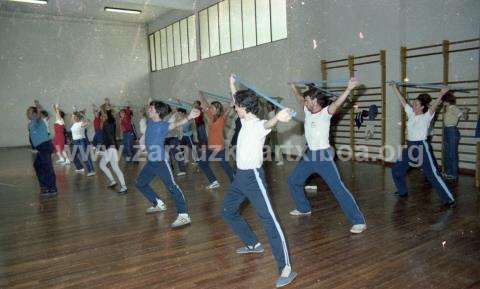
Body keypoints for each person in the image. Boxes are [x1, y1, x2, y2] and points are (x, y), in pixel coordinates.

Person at [221, 75, 297, 288]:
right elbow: (236, 97)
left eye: (236, 106)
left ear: (243, 108)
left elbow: (268, 124)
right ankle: (253, 243)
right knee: (227, 211)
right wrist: (232, 83)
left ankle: (286, 268)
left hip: (253, 178)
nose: (234, 107)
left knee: (269, 221)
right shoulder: (245, 119)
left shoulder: (257, 124)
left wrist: (279, 117)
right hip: (240, 178)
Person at [287, 78, 367, 234]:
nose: (305, 102)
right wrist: (292, 87)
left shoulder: (325, 113)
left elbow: (337, 104)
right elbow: (299, 98)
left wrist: (349, 89)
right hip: (310, 155)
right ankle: (303, 208)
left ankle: (359, 221)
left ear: (315, 101)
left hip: (323, 156)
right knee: (293, 180)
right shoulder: (307, 110)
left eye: (308, 100)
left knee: (338, 189)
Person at [135, 100, 200, 228]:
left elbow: (175, 124)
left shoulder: (163, 125)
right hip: (151, 161)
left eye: (152, 109)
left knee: (172, 187)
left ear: (158, 112)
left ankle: (184, 215)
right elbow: (145, 114)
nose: (149, 110)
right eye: (149, 108)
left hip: (160, 162)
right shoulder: (150, 121)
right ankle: (158, 203)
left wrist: (189, 116)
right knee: (140, 183)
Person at [390, 83, 455, 206]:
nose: (413, 105)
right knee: (396, 170)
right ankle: (402, 191)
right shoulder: (411, 114)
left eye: (416, 104)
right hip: (410, 146)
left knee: (432, 174)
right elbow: (403, 101)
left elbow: (435, 105)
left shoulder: (426, 116)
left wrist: (441, 94)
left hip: (421, 147)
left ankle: (449, 199)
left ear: (422, 107)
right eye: (413, 103)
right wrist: (395, 88)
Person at [196, 92, 235, 189]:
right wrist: (201, 95)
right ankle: (214, 181)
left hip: (219, 148)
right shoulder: (210, 115)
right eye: (211, 108)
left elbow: (229, 109)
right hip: (210, 147)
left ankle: (236, 184)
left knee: (226, 168)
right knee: (202, 163)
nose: (211, 109)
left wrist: (232, 100)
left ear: (217, 109)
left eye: (213, 108)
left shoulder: (222, 119)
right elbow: (205, 104)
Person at [27, 105, 57, 197]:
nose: (28, 113)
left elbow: (39, 116)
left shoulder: (38, 120)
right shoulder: (31, 123)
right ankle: (44, 186)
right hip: (40, 147)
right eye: (27, 112)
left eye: (30, 112)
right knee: (38, 165)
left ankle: (51, 188)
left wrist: (38, 109)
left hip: (45, 146)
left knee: (47, 166)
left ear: (35, 113)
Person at [99, 108, 127, 194]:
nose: (101, 117)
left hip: (110, 148)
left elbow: (109, 136)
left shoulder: (107, 123)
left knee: (103, 165)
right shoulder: (110, 123)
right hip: (112, 147)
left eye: (103, 115)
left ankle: (121, 185)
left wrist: (109, 148)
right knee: (114, 167)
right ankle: (118, 184)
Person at [442, 91, 462, 180]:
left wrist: (465, 112)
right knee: (446, 152)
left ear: (447, 100)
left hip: (452, 131)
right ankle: (447, 172)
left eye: (444, 100)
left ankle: (454, 174)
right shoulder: (447, 108)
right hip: (446, 130)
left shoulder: (453, 107)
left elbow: (462, 115)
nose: (443, 102)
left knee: (452, 153)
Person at [71, 111, 95, 176]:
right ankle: (80, 167)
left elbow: (88, 122)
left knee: (85, 156)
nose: (72, 118)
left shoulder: (81, 123)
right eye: (72, 117)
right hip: (75, 142)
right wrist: (74, 110)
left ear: (77, 118)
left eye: (73, 117)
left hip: (81, 141)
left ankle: (91, 170)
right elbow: (75, 113)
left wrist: (83, 116)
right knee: (73, 156)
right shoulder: (74, 124)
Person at [165, 108, 187, 176]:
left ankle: (181, 170)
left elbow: (178, 126)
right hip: (169, 138)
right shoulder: (170, 117)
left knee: (176, 154)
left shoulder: (172, 117)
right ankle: (173, 168)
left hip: (171, 138)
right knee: (172, 155)